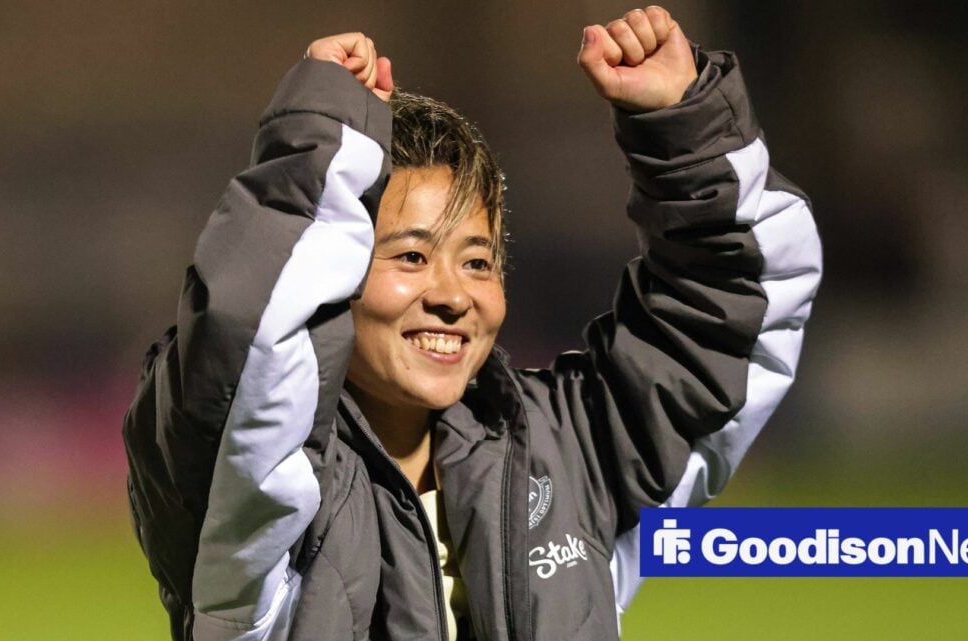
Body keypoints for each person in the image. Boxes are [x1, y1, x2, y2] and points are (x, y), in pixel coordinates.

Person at [123, 6, 822, 641]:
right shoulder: (252, 498)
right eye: (412, 255)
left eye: (479, 262)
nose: (453, 295)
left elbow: (726, 321)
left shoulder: (565, 451)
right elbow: (242, 348)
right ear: (335, 267)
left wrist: (686, 135)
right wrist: (319, 137)